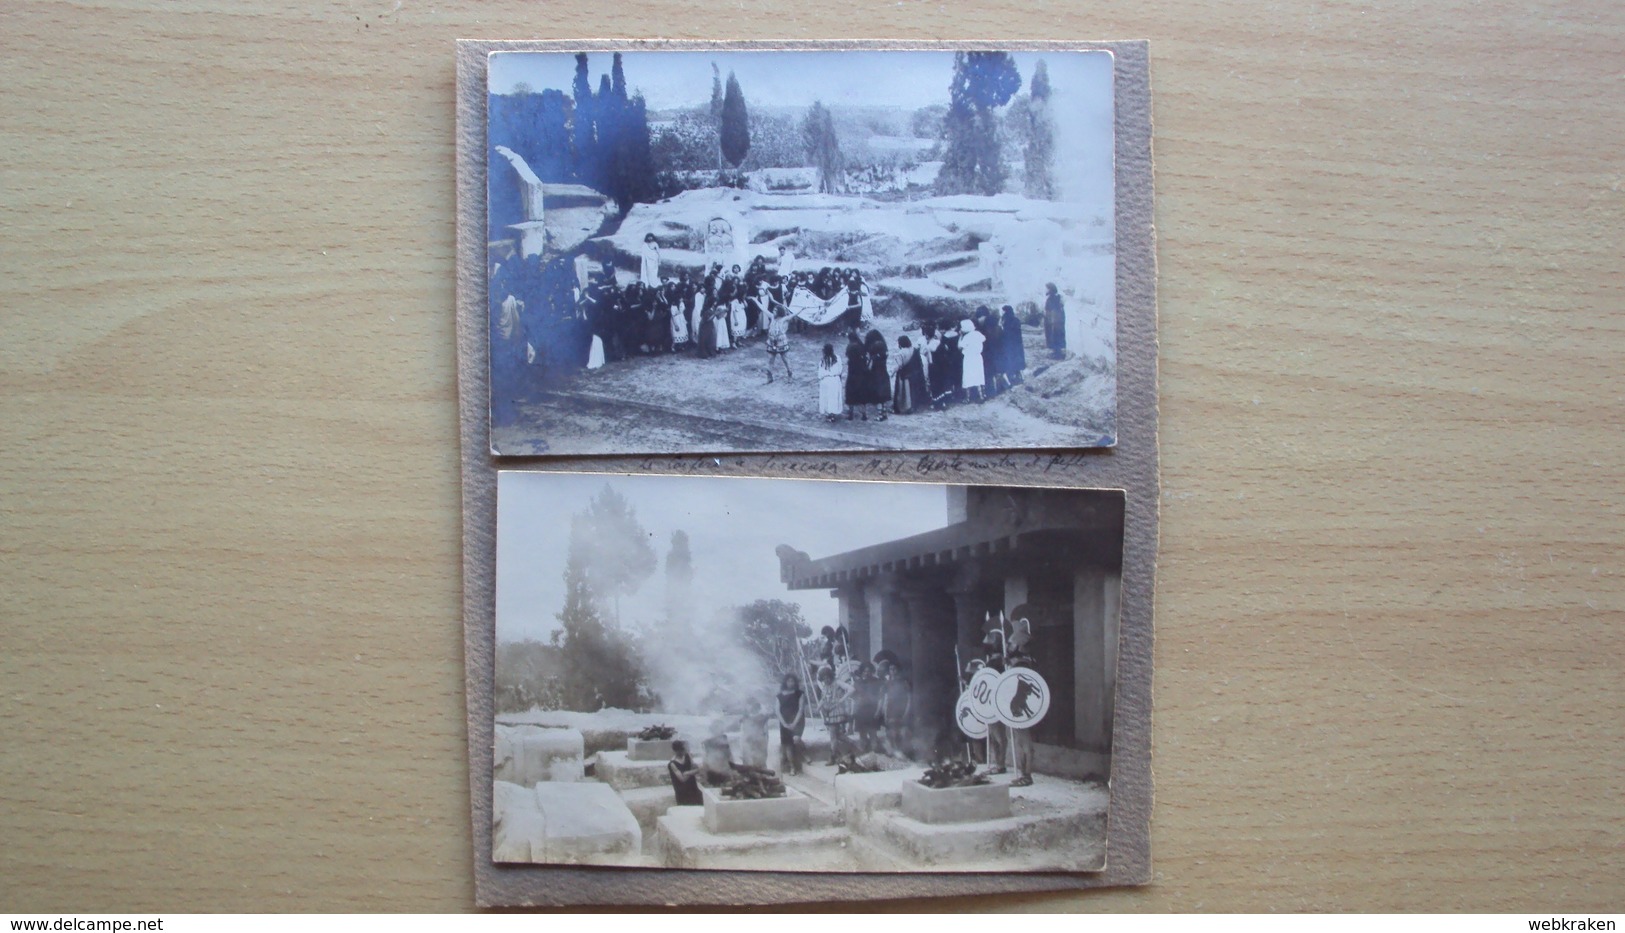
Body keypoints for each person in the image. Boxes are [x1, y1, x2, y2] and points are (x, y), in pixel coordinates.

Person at [816, 666, 855, 764]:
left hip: (836, 711)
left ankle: (832, 756)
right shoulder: (825, 687)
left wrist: (842, 699)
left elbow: (851, 689)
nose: (826, 680)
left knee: (832, 735)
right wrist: (818, 707)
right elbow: (824, 699)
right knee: (837, 735)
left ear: (830, 676)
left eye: (827, 677)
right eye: (824, 678)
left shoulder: (837, 683)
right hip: (828, 712)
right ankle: (853, 743)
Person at [776, 674, 806, 775]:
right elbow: (777, 711)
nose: (791, 683)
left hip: (797, 720)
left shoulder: (799, 694)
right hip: (784, 722)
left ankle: (805, 754)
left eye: (792, 681)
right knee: (788, 745)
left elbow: (801, 709)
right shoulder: (779, 696)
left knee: (796, 739)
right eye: (789, 681)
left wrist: (794, 723)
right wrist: (784, 723)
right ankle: (792, 767)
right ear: (785, 682)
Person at [851, 662, 883, 754]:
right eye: (864, 671)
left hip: (872, 711)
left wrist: (878, 711)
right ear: (862, 672)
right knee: (862, 735)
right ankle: (864, 755)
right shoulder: (858, 683)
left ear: (872, 672)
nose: (866, 673)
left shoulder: (877, 682)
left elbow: (880, 697)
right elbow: (854, 698)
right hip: (861, 712)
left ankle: (875, 754)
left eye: (869, 671)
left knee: (873, 734)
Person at [892, 335, 928, 414]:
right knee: (913, 392)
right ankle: (913, 407)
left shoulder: (901, 353)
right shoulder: (914, 350)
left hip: (904, 375)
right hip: (915, 374)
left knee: (903, 393)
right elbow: (919, 363)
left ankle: (903, 408)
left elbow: (899, 365)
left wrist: (893, 372)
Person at [864, 329, 892, 420]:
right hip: (884, 374)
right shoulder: (884, 350)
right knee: (883, 396)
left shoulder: (873, 356)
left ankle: (879, 415)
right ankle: (884, 413)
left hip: (876, 376)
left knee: (878, 397)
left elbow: (869, 367)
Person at [763, 298, 793, 383]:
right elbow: (763, 308)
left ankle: (790, 374)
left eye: (775, 310)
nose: (773, 312)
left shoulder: (783, 319)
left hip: (781, 342)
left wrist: (802, 309)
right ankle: (769, 377)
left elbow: (793, 315)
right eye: (773, 310)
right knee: (770, 360)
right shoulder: (772, 317)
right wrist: (755, 300)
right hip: (772, 342)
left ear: (779, 312)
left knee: (785, 359)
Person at [958, 318, 987, 403]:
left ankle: (967, 398)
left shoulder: (966, 337)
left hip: (969, 358)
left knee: (968, 376)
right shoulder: (978, 334)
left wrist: (961, 336)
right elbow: (984, 339)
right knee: (978, 375)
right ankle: (982, 395)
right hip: (978, 357)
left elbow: (959, 347)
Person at [667, 740, 703, 806]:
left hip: (693, 789)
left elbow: (694, 766)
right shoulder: (672, 764)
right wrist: (691, 772)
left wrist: (687, 773)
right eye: (682, 749)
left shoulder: (687, 756)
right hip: (682, 793)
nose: (684, 751)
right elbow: (682, 779)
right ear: (677, 750)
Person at [843, 331, 869, 420]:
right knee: (862, 393)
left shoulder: (850, 346)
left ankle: (851, 414)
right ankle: (864, 414)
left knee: (850, 393)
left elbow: (848, 357)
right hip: (861, 372)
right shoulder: (861, 346)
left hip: (852, 372)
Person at [738, 699, 771, 770]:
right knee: (748, 759)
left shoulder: (762, 717)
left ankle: (761, 773)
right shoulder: (745, 718)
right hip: (749, 740)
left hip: (759, 739)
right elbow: (743, 733)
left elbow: (763, 719)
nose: (750, 708)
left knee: (760, 760)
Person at [999, 304, 1026, 386]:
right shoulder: (1016, 320)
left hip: (1009, 343)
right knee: (1017, 359)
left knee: (1010, 359)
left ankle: (1012, 377)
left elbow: (1005, 332)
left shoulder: (1005, 320)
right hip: (1017, 343)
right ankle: (1020, 376)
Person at [817, 343, 844, 421]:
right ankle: (833, 414)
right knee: (834, 397)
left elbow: (820, 374)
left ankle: (829, 414)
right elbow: (840, 370)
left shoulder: (822, 361)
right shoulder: (838, 358)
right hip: (835, 379)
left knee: (826, 397)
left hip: (825, 380)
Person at [1043, 282, 1066, 359]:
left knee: (1054, 336)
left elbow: (1052, 310)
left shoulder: (1052, 299)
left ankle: (1057, 353)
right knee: (1054, 336)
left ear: (1050, 290)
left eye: (1047, 289)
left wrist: (1050, 319)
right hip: (1054, 320)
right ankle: (1056, 352)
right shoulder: (1056, 298)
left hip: (1054, 321)